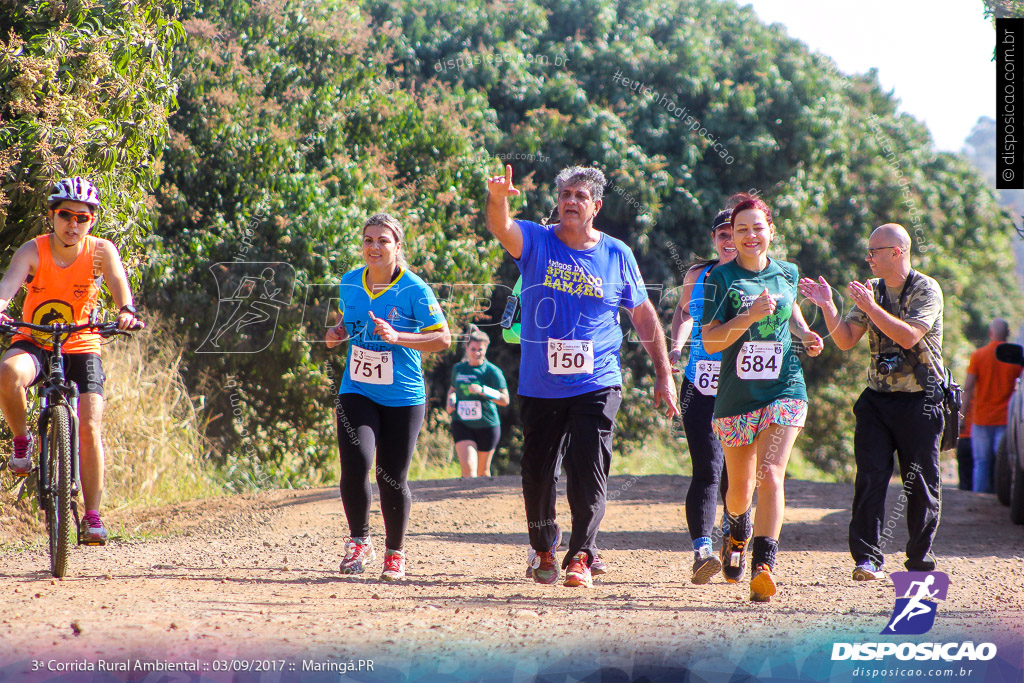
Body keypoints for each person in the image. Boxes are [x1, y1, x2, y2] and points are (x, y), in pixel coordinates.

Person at [485, 164, 679, 589]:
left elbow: (643, 316)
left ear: (596, 206)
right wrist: (499, 197)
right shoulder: (536, 241)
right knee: (537, 473)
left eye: (580, 195)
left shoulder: (617, 254)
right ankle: (543, 546)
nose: (571, 201)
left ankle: (582, 555)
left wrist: (664, 375)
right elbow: (501, 226)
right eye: (565, 194)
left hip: (598, 381)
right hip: (541, 383)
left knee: (588, 466)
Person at [0, 177, 141, 545]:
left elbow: (118, 281)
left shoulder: (100, 251)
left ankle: (92, 516)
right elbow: (8, 287)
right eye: (65, 215)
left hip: (81, 345)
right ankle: (21, 441)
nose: (73, 224)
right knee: (8, 373)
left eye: (82, 217)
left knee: (90, 425)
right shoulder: (33, 250)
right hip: (34, 340)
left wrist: (125, 309)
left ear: (91, 221)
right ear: (52, 216)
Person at [800, 222, 945, 579]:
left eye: (874, 252)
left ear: (897, 252)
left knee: (922, 485)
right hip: (877, 401)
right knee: (870, 478)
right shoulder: (872, 291)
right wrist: (829, 306)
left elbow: (910, 336)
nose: (868, 259)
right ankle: (867, 559)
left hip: (920, 400)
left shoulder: (926, 289)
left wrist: (870, 306)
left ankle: (919, 562)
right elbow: (847, 339)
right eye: (868, 252)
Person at [701, 193, 823, 602]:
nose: (750, 235)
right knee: (739, 490)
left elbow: (790, 313)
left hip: (785, 387)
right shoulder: (720, 279)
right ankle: (736, 530)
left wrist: (806, 334)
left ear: (771, 230)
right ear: (732, 237)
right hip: (737, 397)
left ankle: (764, 565)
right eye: (741, 229)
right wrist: (748, 316)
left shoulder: (787, 271)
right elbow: (712, 341)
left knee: (770, 474)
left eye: (757, 227)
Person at [325, 212, 451, 581]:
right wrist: (335, 334)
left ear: (398, 247)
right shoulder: (349, 282)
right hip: (357, 389)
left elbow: (442, 338)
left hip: (403, 396)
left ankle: (395, 553)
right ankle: (358, 542)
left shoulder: (414, 289)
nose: (374, 247)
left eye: (383, 240)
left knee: (391, 476)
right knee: (355, 464)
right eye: (368, 240)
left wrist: (399, 337)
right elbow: (347, 325)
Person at [668, 209, 735, 584]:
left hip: (742, 386)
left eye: (734, 233)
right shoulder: (698, 275)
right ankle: (702, 552)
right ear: (714, 239)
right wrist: (677, 346)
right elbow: (683, 312)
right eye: (721, 234)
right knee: (707, 469)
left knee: (735, 475)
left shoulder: (758, 274)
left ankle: (734, 540)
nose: (728, 240)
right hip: (699, 382)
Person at [962, 318, 1020, 493]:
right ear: (1008, 334)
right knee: (1002, 461)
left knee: (981, 462)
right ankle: (1002, 494)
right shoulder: (1015, 357)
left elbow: (968, 387)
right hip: (1004, 420)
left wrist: (962, 415)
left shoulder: (979, 355)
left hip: (981, 418)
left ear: (990, 333)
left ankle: (979, 496)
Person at [446, 325, 510, 477]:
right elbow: (453, 389)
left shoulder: (492, 371)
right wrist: (450, 400)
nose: (476, 353)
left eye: (480, 349)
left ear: (486, 349)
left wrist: (484, 390)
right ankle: (464, 500)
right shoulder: (458, 369)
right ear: (467, 348)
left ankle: (480, 500)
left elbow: (505, 399)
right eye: (473, 349)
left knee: (483, 472)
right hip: (462, 423)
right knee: (468, 469)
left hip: (487, 425)